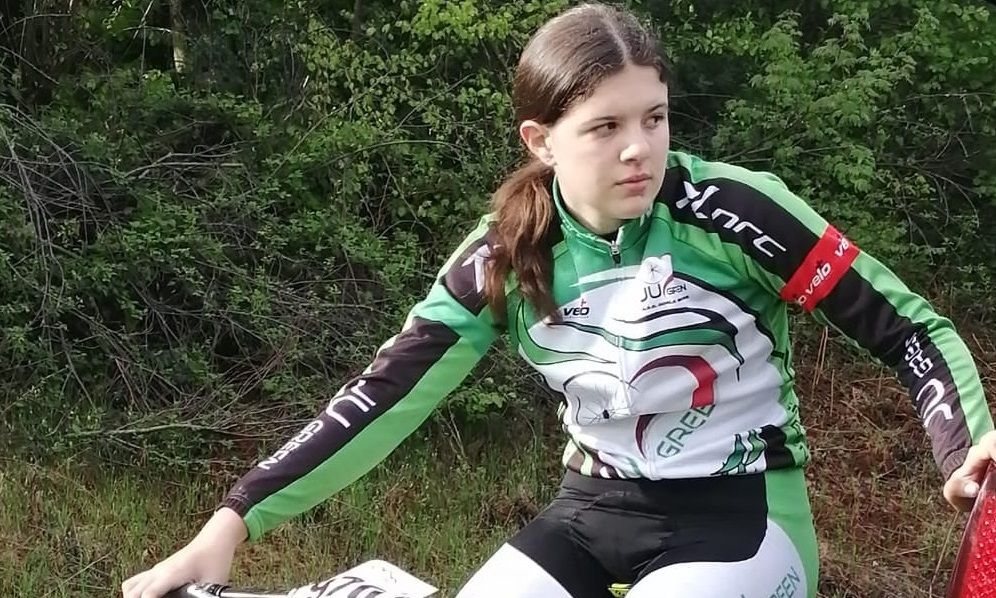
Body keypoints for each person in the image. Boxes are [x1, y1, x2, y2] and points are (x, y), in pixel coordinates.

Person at [122, 4, 996, 597]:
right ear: (541, 141)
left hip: (742, 514)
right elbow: (381, 396)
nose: (639, 150)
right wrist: (232, 521)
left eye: (654, 118)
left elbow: (903, 326)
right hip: (591, 510)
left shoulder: (732, 210)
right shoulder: (507, 251)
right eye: (605, 127)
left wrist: (966, 440)